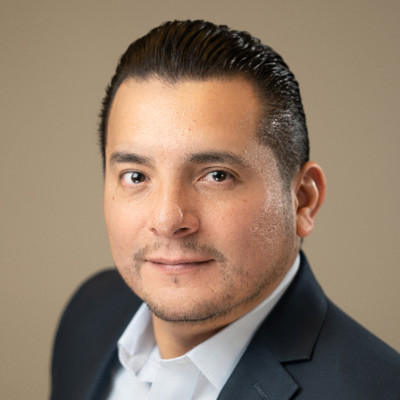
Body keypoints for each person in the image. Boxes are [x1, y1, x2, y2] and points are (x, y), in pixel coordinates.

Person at [50, 20, 400, 399]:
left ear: (302, 199)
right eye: (136, 176)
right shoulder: (91, 313)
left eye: (217, 175)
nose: (167, 220)